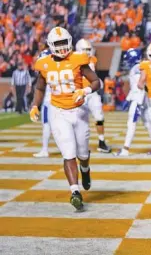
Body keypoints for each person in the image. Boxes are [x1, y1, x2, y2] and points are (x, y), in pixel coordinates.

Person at [30, 27, 101, 211]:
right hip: (58, 112)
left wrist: (84, 90)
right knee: (68, 152)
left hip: (79, 110)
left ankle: (85, 169)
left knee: (83, 154)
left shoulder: (79, 59)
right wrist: (35, 105)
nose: (62, 48)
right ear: (51, 45)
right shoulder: (44, 63)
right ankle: (75, 192)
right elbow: (39, 87)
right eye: (58, 44)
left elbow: (96, 82)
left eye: (64, 43)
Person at [115, 48, 151, 156]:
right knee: (148, 123)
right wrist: (129, 99)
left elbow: (140, 86)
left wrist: (138, 102)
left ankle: (125, 149)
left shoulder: (137, 68)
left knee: (132, 123)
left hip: (139, 99)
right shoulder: (139, 67)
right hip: (142, 99)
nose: (126, 61)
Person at [75, 39, 111, 153]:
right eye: (84, 50)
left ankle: (101, 142)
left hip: (92, 92)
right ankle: (78, 144)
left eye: (88, 49)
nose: (87, 52)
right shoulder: (73, 60)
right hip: (80, 92)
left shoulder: (93, 59)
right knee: (78, 120)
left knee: (99, 117)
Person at [33, 49, 53, 158]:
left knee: (47, 125)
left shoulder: (45, 57)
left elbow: (40, 85)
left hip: (50, 100)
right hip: (63, 99)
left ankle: (45, 149)